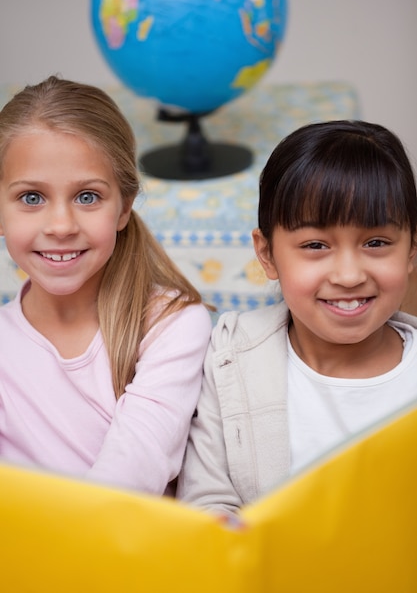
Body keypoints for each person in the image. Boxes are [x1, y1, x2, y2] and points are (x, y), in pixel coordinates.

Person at [177, 119, 417, 513]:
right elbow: (207, 501)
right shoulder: (228, 358)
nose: (349, 275)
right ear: (267, 254)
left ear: (410, 250)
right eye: (316, 245)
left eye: (376, 243)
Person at [0, 75, 212, 495]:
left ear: (123, 208)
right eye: (31, 198)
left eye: (87, 197)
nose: (61, 226)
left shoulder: (173, 325)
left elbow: (128, 479)